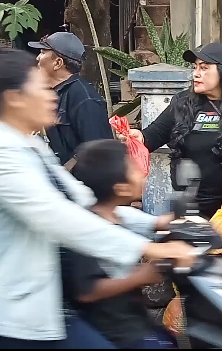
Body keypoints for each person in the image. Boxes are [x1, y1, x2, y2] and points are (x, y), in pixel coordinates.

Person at [0, 43, 196, 349]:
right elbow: (57, 217)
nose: (52, 96)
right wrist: (150, 248)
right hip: (8, 319)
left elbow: (82, 202)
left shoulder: (29, 145)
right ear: (15, 98)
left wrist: (156, 223)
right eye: (42, 88)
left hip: (44, 309)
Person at [119, 42, 222, 218]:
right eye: (195, 67)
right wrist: (138, 137)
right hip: (189, 203)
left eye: (204, 68)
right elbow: (155, 134)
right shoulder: (182, 103)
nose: (196, 73)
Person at [64, 139, 178, 349]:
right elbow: (86, 291)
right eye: (133, 168)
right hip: (114, 330)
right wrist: (140, 276)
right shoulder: (86, 230)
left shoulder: (117, 214)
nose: (141, 173)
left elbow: (155, 222)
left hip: (133, 318)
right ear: (121, 188)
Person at [28, 32, 114, 169]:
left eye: (43, 53)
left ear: (58, 63)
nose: (38, 58)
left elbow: (98, 151)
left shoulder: (85, 99)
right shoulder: (50, 93)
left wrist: (65, 173)